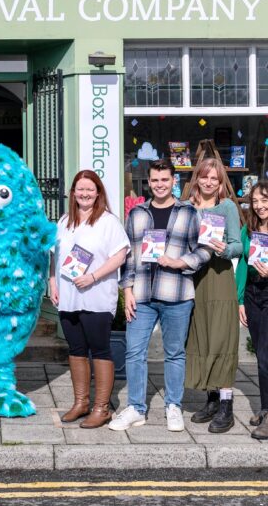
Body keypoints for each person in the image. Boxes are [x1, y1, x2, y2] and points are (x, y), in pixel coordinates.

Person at [109, 159, 211, 432]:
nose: (160, 185)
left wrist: (181, 262)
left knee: (175, 353)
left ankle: (173, 406)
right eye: (155, 180)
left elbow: (205, 250)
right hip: (142, 294)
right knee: (134, 351)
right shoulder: (137, 213)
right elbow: (128, 257)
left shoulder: (189, 212)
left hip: (177, 293)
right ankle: (136, 408)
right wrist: (127, 292)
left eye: (165, 180)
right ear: (149, 181)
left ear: (173, 181)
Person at [49, 170, 130, 428]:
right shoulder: (64, 222)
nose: (84, 194)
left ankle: (102, 408)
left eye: (90, 189)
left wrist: (94, 276)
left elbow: (120, 255)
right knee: (76, 349)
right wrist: (52, 281)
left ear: (98, 193)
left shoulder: (108, 222)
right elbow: (54, 256)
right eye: (80, 189)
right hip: (69, 297)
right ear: (73, 193)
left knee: (100, 349)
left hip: (95, 296)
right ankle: (81, 402)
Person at [185, 158, 242, 433]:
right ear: (197, 179)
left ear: (220, 183)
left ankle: (226, 407)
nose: (208, 182)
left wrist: (223, 249)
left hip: (219, 278)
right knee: (202, 337)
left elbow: (238, 245)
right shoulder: (189, 206)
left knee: (221, 339)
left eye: (214, 179)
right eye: (204, 177)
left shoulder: (227, 206)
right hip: (194, 280)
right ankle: (210, 399)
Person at [236, 182, 268, 439]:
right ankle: (265, 407)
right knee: (261, 356)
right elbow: (244, 265)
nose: (259, 206)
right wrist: (240, 300)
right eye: (255, 201)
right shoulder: (251, 228)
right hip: (253, 295)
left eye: (264, 200)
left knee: (267, 358)